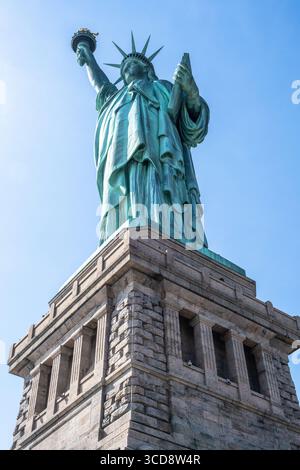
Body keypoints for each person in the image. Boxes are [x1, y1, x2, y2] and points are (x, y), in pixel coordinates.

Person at [76, 35, 209, 247]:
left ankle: (167, 231)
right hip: (123, 159)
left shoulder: (163, 88)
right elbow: (101, 85)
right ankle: (126, 231)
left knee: (159, 191)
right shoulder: (116, 98)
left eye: (132, 63)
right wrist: (88, 58)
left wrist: (191, 92)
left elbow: (192, 126)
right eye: (123, 67)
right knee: (127, 197)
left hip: (162, 158)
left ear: (147, 69)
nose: (126, 67)